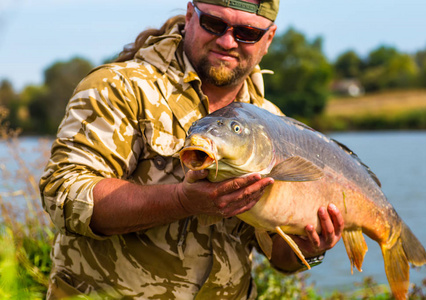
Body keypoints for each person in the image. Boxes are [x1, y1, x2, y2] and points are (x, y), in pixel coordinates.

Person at [40, 0, 344, 299]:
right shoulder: (119, 86)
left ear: (268, 39)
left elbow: (276, 254)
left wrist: (309, 249)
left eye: (247, 33)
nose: (227, 41)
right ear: (190, 15)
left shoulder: (273, 122)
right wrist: (181, 201)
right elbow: (63, 194)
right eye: (214, 23)